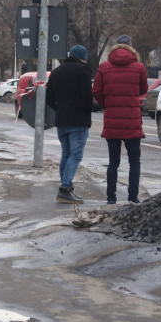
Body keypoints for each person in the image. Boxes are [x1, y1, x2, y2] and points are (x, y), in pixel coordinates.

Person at [92, 35, 148, 205]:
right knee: (134, 162)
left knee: (113, 161)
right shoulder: (139, 67)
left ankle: (111, 198)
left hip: (112, 122)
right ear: (131, 48)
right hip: (132, 121)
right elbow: (143, 89)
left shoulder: (104, 67)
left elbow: (96, 91)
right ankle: (132, 197)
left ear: (116, 47)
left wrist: (106, 104)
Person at [46, 44, 93, 204]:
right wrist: (87, 110)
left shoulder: (56, 72)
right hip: (78, 120)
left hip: (61, 120)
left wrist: (60, 109)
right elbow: (87, 95)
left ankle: (66, 188)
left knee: (66, 154)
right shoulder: (84, 70)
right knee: (76, 154)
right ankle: (65, 188)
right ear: (83, 57)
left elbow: (49, 98)